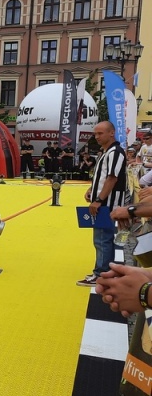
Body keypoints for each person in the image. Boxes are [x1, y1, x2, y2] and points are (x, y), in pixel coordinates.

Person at [78, 121, 127, 287]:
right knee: (104, 238)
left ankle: (101, 274)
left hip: (106, 202)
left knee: (102, 238)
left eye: (100, 133)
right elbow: (104, 176)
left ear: (111, 133)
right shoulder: (107, 152)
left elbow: (112, 178)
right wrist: (92, 189)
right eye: (96, 134)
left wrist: (98, 200)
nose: (97, 137)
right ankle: (107, 272)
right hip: (104, 200)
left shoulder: (114, 152)